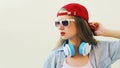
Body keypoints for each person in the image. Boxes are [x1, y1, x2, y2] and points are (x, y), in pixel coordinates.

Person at [43, 3, 120, 68]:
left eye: (65, 22)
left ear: (80, 24)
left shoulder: (103, 50)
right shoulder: (54, 58)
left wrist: (105, 32)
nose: (60, 27)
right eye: (58, 23)